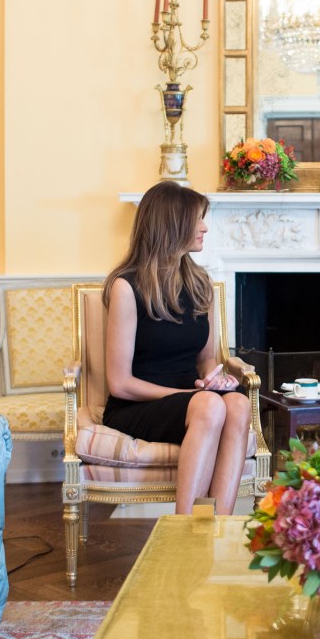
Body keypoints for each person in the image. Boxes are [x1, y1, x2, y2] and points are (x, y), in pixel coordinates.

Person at [102, 181, 251, 515]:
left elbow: (205, 358)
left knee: (239, 404)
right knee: (210, 408)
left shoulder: (201, 285)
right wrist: (189, 396)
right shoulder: (126, 288)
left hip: (194, 396)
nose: (204, 227)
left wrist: (214, 379)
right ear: (172, 224)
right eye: (197, 219)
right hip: (135, 404)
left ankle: (217, 528)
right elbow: (120, 384)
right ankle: (184, 535)